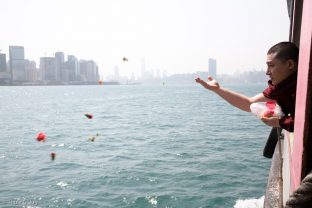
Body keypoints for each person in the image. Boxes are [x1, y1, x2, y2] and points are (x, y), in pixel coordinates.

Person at [195, 42, 299, 132]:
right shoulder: (280, 88)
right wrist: (218, 90)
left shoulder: (302, 87)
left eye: (271, 66)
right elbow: (249, 103)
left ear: (290, 64)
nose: (267, 72)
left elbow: (304, 122)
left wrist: (280, 122)